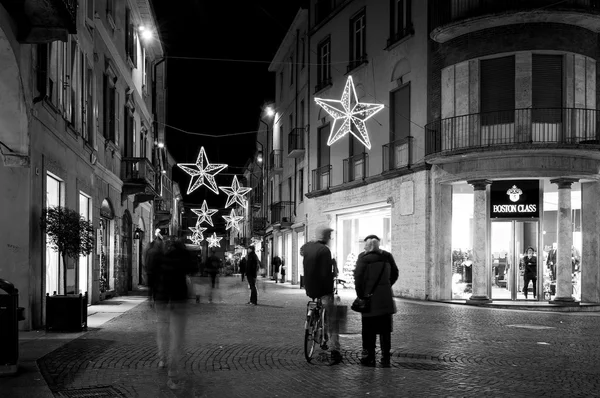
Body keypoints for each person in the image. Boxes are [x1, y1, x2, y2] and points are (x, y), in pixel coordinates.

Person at [149, 236, 195, 390]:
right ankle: (172, 373)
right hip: (178, 300)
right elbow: (193, 269)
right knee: (176, 337)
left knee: (162, 329)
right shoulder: (183, 257)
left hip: (161, 298)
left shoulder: (159, 256)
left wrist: (151, 295)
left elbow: (152, 277)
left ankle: (162, 359)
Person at [354, 235, 399, 367]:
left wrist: (361, 295)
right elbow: (395, 273)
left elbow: (358, 279)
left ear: (368, 246)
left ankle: (369, 357)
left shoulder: (363, 258)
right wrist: (386, 285)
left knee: (368, 330)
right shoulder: (387, 256)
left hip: (370, 300)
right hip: (385, 298)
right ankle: (385, 357)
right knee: (385, 330)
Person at [302, 226, 342, 365]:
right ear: (326, 237)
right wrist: (334, 268)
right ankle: (335, 350)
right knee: (334, 318)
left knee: (319, 309)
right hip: (323, 289)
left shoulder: (308, 249)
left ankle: (315, 324)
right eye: (329, 236)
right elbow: (326, 273)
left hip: (310, 288)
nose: (330, 239)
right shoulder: (325, 251)